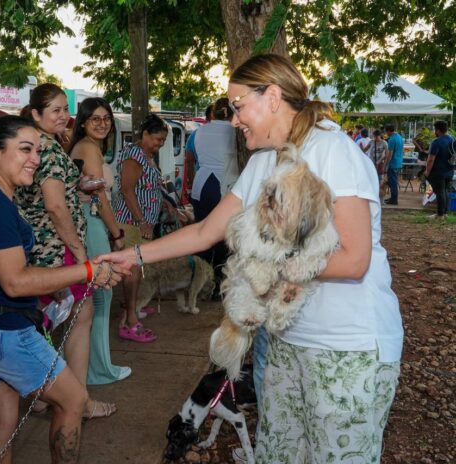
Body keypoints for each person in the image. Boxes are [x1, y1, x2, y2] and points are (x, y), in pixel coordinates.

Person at [98, 53, 403, 462]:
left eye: (239, 106)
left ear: (273, 97)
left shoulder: (333, 151)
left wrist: (259, 271)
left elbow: (353, 260)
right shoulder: (263, 161)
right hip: (288, 339)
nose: (234, 119)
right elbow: (207, 231)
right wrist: (134, 255)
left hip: (348, 345)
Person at [0, 115, 126, 464]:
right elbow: (15, 281)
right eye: (25, 149)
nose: (35, 159)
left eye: (38, 151)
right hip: (5, 330)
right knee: (74, 401)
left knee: (3, 420)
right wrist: (85, 270)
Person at [16, 83, 116, 418]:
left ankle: (45, 395)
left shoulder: (32, 145)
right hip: (56, 248)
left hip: (38, 247)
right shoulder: (47, 148)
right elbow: (55, 207)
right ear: (36, 115)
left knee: (46, 321)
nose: (64, 116)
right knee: (78, 315)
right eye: (56, 110)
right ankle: (79, 400)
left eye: (65, 109)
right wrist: (80, 253)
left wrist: (77, 186)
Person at [68, 98, 132, 384]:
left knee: (96, 294)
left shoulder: (87, 148)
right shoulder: (89, 148)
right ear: (82, 122)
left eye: (106, 118)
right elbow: (99, 197)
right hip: (91, 222)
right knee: (101, 293)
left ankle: (95, 367)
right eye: (95, 118)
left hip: (90, 222)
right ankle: (99, 370)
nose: (102, 123)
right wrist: (117, 233)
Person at [111, 114, 169, 342]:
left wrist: (166, 206)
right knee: (132, 270)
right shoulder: (134, 154)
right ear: (144, 134)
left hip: (142, 223)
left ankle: (132, 310)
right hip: (131, 223)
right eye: (157, 139)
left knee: (138, 269)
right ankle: (130, 321)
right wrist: (142, 221)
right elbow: (127, 190)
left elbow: (149, 188)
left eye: (163, 140)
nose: (160, 144)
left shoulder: (147, 155)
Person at [187, 97, 238, 268]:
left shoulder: (199, 131)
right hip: (225, 186)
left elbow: (191, 158)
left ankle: (201, 274)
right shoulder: (235, 131)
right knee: (225, 235)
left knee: (201, 230)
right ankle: (219, 277)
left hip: (201, 187)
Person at [424, 120, 455, 219]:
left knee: (440, 192)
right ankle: (445, 213)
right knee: (445, 191)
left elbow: (431, 159)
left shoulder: (436, 142)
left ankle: (440, 214)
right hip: (450, 170)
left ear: (437, 130)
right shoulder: (453, 139)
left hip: (438, 171)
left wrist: (427, 171)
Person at [384, 124, 404, 205]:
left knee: (392, 182)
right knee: (393, 181)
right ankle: (393, 198)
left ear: (388, 131)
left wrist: (386, 164)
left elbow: (390, 154)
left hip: (393, 163)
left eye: (386, 131)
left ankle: (394, 200)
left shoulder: (392, 139)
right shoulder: (399, 136)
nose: (386, 133)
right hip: (398, 162)